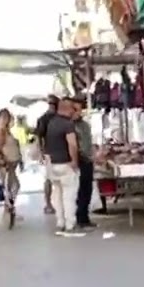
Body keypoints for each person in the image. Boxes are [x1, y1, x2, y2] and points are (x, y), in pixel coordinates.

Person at [43, 96, 84, 237]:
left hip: (53, 164)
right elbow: (72, 144)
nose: (74, 111)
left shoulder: (51, 123)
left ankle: (60, 222)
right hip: (66, 163)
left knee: (58, 195)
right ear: (67, 109)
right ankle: (70, 225)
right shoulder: (68, 125)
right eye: (73, 108)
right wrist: (74, 161)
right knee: (69, 196)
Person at [71, 96, 97, 230]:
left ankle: (85, 217)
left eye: (80, 110)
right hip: (78, 160)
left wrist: (94, 155)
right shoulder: (69, 127)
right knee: (79, 190)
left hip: (88, 160)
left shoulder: (84, 125)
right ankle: (80, 218)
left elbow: (88, 142)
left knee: (87, 189)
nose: (78, 112)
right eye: (75, 109)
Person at [0, 108, 22, 213]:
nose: (6, 120)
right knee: (11, 186)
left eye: (7, 117)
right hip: (5, 163)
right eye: (4, 117)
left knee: (11, 186)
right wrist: (4, 158)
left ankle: (9, 207)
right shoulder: (0, 131)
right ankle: (9, 207)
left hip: (11, 163)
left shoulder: (6, 130)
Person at [34, 96, 59, 215]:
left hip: (49, 152)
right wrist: (40, 152)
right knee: (52, 179)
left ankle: (49, 204)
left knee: (49, 179)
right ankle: (50, 203)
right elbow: (39, 137)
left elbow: (38, 137)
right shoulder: (48, 119)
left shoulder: (43, 119)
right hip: (53, 152)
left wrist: (41, 152)